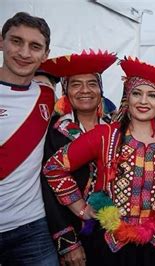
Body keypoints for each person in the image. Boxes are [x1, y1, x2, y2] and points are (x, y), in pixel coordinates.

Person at [43, 57, 155, 266]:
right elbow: (54, 168)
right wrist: (81, 209)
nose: (143, 101)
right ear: (127, 97)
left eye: (152, 95)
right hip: (111, 244)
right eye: (137, 93)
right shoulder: (105, 135)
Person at [39, 50, 117, 265]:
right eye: (76, 84)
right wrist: (68, 243)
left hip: (113, 230)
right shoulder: (55, 132)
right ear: (66, 91)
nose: (85, 90)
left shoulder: (116, 127)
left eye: (92, 83)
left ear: (101, 89)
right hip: (75, 230)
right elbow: (47, 188)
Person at [0, 12, 59, 265]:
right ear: (1, 42)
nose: (24, 53)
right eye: (16, 41)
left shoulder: (47, 95)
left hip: (32, 226)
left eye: (35, 46)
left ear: (45, 54)